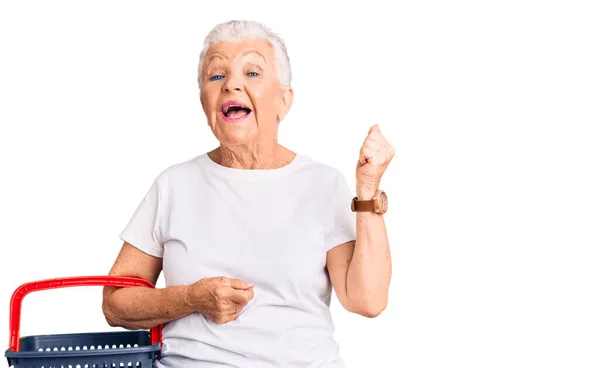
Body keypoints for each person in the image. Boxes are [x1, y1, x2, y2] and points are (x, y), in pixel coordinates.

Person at [102, 19, 395, 368]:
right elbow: (116, 303)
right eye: (216, 76)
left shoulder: (323, 183)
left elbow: (367, 300)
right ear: (204, 104)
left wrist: (367, 189)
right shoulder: (173, 185)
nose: (232, 85)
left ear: (284, 101)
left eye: (253, 73)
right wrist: (191, 298)